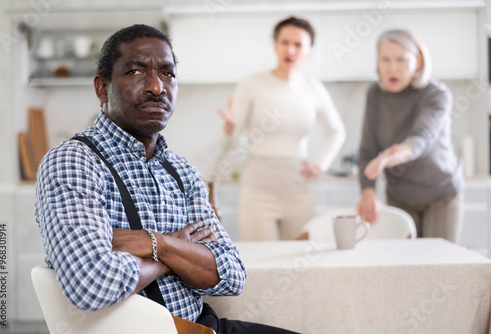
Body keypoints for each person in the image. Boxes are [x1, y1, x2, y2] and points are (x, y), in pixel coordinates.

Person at [35, 24, 299, 334]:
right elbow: (92, 284)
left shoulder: (182, 171)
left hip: (203, 327)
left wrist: (152, 244)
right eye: (136, 72)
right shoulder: (74, 161)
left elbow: (231, 275)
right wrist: (175, 247)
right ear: (102, 89)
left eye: (168, 73)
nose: (157, 87)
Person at [217, 16, 346, 241]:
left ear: (310, 51)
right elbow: (227, 145)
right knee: (261, 264)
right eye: (285, 42)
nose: (291, 50)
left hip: (299, 194)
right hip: (258, 193)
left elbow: (337, 132)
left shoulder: (313, 88)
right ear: (275, 45)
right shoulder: (252, 84)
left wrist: (320, 165)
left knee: (295, 263)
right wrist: (229, 128)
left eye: (298, 45)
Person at [357, 29, 463, 242]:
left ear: (418, 60)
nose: (392, 68)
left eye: (401, 60)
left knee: (439, 266)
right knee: (404, 266)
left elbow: (421, 138)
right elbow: (367, 151)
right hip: (399, 195)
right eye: (385, 60)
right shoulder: (375, 95)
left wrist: (394, 155)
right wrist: (368, 193)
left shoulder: (436, 94)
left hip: (441, 194)